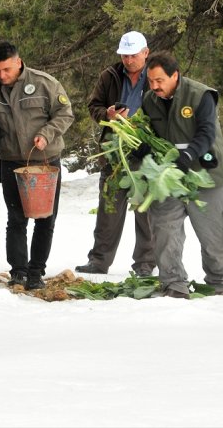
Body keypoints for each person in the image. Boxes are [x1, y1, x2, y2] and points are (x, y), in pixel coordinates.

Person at [0, 41, 74, 290]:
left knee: (45, 220)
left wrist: (47, 134)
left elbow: (65, 113)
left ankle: (36, 272)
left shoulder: (44, 83)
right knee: (16, 219)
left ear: (18, 62)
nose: (2, 75)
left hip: (46, 163)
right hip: (12, 164)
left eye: (6, 69)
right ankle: (18, 271)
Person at [142, 51, 223, 298]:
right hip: (169, 176)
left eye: (160, 80)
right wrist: (144, 149)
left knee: (214, 237)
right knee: (165, 230)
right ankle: (173, 284)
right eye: (150, 81)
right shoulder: (150, 100)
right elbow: (150, 134)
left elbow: (206, 133)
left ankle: (216, 282)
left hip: (206, 173)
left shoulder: (201, 95)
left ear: (175, 75)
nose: (154, 86)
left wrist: (188, 156)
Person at [75, 31, 156, 276]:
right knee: (109, 207)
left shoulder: (155, 75)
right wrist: (108, 115)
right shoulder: (109, 76)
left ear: (145, 53)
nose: (128, 60)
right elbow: (94, 106)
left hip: (145, 149)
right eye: (124, 55)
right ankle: (99, 261)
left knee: (145, 209)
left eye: (133, 55)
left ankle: (144, 264)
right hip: (114, 149)